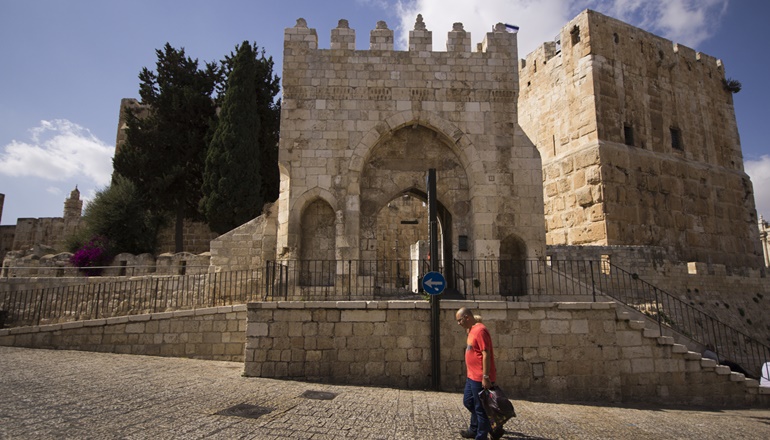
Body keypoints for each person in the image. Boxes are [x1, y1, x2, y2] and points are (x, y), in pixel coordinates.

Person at [455, 307, 503, 440]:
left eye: (460, 320)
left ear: (467, 318)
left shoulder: (480, 331)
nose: (459, 323)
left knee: (481, 409)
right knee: (468, 402)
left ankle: (480, 435)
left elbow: (486, 353)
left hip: (480, 377)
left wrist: (485, 376)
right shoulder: (471, 329)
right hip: (471, 376)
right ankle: (490, 428)